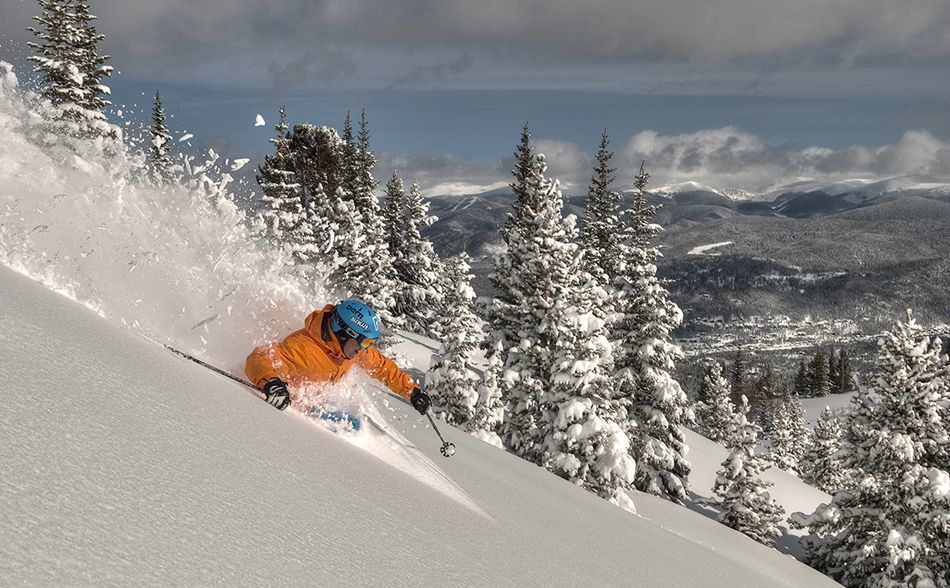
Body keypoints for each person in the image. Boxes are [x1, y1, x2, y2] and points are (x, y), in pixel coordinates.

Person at [245, 299, 431, 415]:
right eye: (364, 342)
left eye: (369, 343)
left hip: (319, 410)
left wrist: (412, 392)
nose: (363, 349)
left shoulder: (349, 350)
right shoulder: (301, 347)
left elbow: (383, 367)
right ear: (344, 333)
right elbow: (259, 357)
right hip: (291, 413)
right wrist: (270, 382)